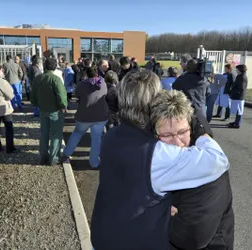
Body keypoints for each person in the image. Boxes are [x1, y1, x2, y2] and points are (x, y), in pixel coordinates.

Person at [90, 70, 229, 250]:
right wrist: (198, 128)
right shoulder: (157, 154)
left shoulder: (112, 136)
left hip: (102, 236)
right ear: (154, 102)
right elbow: (218, 160)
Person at [150, 90, 234, 250]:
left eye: (182, 132)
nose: (177, 142)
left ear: (191, 127)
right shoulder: (159, 157)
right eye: (166, 135)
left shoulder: (207, 165)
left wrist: (158, 214)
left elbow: (192, 236)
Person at [62, 66, 109, 168]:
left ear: (87, 74)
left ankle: (66, 154)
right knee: (96, 139)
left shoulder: (81, 84)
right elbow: (105, 94)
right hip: (100, 116)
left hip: (84, 115)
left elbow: (77, 95)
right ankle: (94, 162)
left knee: (77, 134)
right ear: (97, 73)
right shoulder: (103, 83)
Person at [30, 58, 68, 165]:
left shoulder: (38, 78)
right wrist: (64, 105)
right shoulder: (56, 79)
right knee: (56, 135)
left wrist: (35, 104)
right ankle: (54, 158)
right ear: (55, 66)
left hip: (43, 109)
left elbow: (33, 95)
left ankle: (43, 155)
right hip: (55, 111)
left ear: (45, 66)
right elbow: (61, 95)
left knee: (44, 133)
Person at [228, 64, 248, 129]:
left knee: (239, 111)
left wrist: (233, 91)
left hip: (239, 96)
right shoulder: (240, 76)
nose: (236, 70)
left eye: (237, 69)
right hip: (238, 96)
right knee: (238, 110)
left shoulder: (242, 77)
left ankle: (237, 124)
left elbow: (241, 88)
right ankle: (236, 122)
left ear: (240, 70)